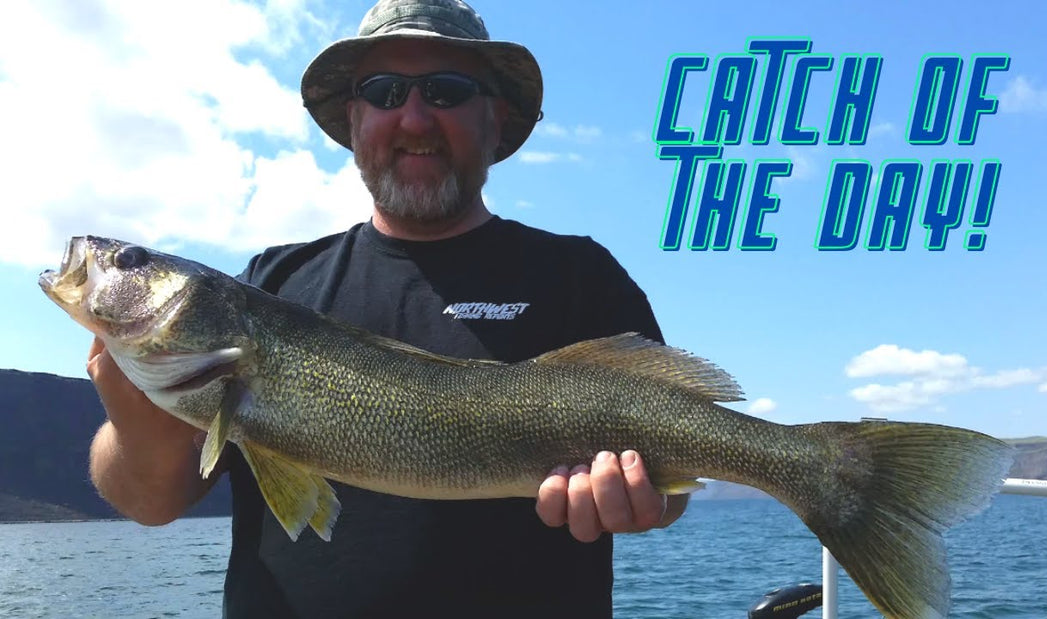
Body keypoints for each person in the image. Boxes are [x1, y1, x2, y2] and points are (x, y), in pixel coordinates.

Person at [85, 0, 689, 616]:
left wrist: (650, 500)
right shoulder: (270, 283)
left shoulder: (581, 278)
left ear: (494, 117)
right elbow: (150, 503)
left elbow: (676, 460)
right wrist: (136, 428)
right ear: (354, 119)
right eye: (385, 90)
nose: (416, 116)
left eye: (447, 90)